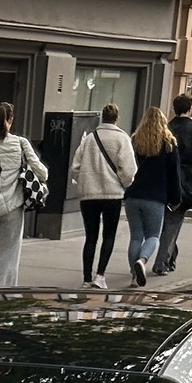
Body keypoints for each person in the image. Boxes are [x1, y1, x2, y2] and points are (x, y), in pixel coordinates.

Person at [68, 102, 136, 287]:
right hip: (112, 195)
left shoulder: (90, 139)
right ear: (117, 119)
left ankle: (86, 278)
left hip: (89, 194)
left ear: (102, 117)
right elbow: (129, 170)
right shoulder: (122, 139)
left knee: (90, 237)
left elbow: (75, 167)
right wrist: (124, 184)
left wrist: (84, 180)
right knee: (109, 235)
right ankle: (100, 276)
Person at [0, 104, 49, 285]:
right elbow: (42, 173)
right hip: (13, 207)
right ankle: (2, 291)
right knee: (8, 255)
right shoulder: (20, 143)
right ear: (11, 120)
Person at [121, 108, 180, 287]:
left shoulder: (136, 141)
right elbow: (174, 174)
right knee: (153, 235)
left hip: (133, 195)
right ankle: (143, 260)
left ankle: (134, 277)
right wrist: (175, 198)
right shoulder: (169, 143)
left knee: (136, 237)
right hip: (155, 197)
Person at [157, 92, 192, 276]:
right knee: (173, 221)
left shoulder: (165, 128)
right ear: (190, 108)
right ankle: (162, 262)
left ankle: (169, 257)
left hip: (162, 179)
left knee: (168, 222)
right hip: (185, 180)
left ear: (174, 108)